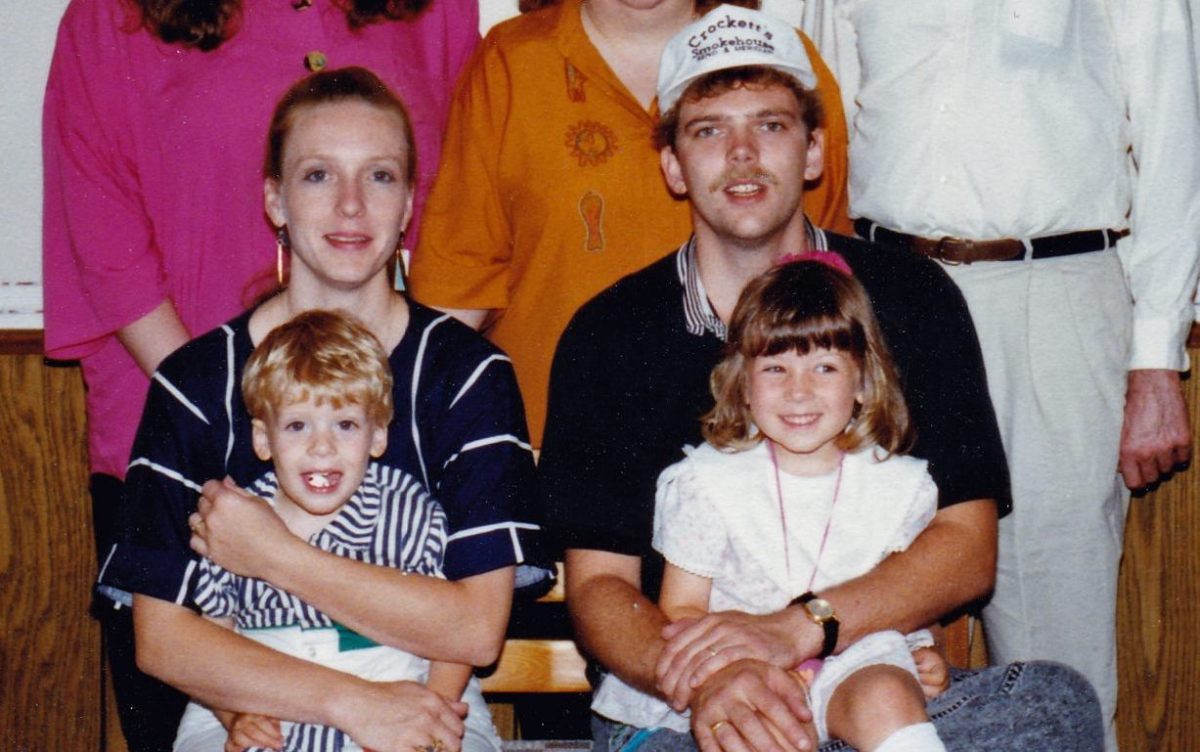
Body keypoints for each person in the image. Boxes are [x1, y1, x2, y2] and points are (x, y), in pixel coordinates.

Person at [537, 6, 1102, 751]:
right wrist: (711, 680)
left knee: (1058, 704)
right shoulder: (610, 333)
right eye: (708, 131)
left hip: (865, 674)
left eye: (770, 125)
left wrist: (802, 629)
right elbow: (598, 586)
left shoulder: (911, 298)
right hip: (688, 701)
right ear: (672, 164)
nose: (742, 155)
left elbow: (967, 546)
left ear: (813, 152)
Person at [42, 1, 479, 747]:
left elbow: (461, 215)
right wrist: (232, 416)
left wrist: (375, 407)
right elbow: (106, 243)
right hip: (187, 448)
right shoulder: (111, 17)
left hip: (380, 441)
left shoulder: (434, 9)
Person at [798, 3, 1200, 747]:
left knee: (1055, 632)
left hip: (1050, 290)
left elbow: (1179, 136)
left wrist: (1156, 353)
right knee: (854, 606)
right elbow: (821, 108)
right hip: (884, 289)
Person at [408, 0, 853, 447]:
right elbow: (456, 285)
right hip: (555, 439)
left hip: (769, 441)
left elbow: (830, 273)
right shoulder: (512, 61)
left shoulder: (781, 62)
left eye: (768, 126)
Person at [595, 256, 953, 752]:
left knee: (888, 695)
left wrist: (931, 647)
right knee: (755, 725)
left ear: (863, 381)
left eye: (824, 367)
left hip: (857, 658)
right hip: (738, 666)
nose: (798, 391)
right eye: (775, 368)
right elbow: (683, 607)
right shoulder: (707, 482)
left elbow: (912, 597)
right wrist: (741, 666)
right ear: (743, 384)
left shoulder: (898, 486)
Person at [170, 308, 478, 751]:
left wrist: (434, 712)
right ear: (263, 438)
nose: (321, 447)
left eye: (345, 424)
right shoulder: (237, 519)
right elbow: (214, 636)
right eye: (297, 425)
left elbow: (450, 638)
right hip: (270, 702)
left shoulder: (408, 514)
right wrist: (234, 714)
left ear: (377, 436)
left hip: (390, 699)